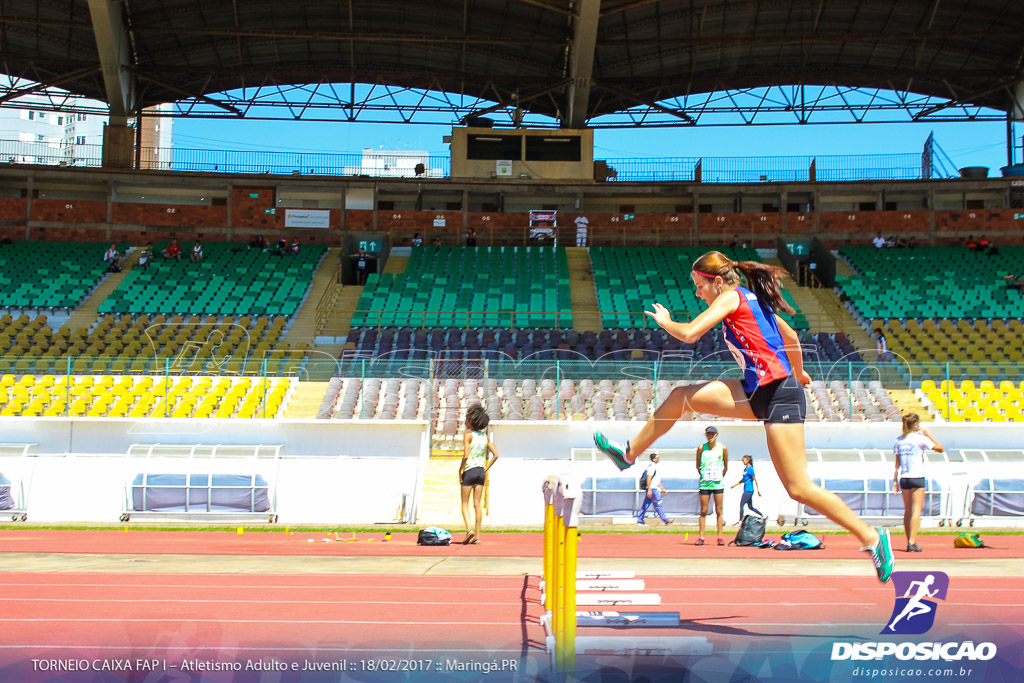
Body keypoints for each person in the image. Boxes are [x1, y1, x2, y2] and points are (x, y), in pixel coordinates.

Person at [593, 250, 895, 582]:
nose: (697, 293)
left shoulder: (732, 297)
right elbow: (792, 338)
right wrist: (801, 371)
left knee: (799, 487)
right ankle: (629, 454)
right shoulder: (753, 301)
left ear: (717, 282)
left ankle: (871, 537)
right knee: (681, 397)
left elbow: (691, 333)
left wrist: (666, 323)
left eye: (699, 286)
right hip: (757, 391)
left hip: (780, 396)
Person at [893, 413, 944, 553]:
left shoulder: (899, 440)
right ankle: (912, 542)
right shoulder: (920, 439)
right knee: (916, 511)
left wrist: (894, 481)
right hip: (917, 477)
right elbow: (940, 448)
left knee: (907, 511)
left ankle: (908, 539)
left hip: (904, 477)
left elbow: (897, 463)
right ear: (916, 424)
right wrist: (928, 434)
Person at [459, 403, 499, 544]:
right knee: (477, 504)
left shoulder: (468, 435)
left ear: (471, 421)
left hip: (469, 470)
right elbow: (495, 455)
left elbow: (465, 456)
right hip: (481, 472)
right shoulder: (485, 437)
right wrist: (485, 469)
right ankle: (477, 536)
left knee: (464, 504)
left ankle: (469, 530)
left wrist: (460, 471)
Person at [695, 426, 727, 545]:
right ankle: (701, 536)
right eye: (708, 434)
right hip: (705, 483)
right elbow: (698, 465)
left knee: (719, 510)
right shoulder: (701, 448)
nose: (710, 436)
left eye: (712, 434)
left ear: (716, 435)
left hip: (718, 483)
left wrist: (719, 475)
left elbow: (725, 466)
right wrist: (704, 474)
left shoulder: (722, 448)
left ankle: (720, 537)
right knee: (704, 510)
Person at [637, 452, 673, 525]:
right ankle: (666, 520)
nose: (658, 459)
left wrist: (662, 489)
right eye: (657, 457)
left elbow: (656, 480)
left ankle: (640, 519)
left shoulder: (654, 467)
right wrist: (649, 489)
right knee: (658, 503)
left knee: (646, 504)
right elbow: (649, 478)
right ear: (654, 459)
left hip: (653, 488)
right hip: (652, 489)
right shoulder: (651, 467)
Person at [730, 454, 765, 522]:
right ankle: (762, 515)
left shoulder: (750, 469)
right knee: (750, 507)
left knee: (742, 504)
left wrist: (758, 490)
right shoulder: (745, 469)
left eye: (744, 460)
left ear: (748, 460)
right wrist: (734, 485)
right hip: (746, 489)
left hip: (749, 490)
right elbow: (743, 479)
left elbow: (755, 479)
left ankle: (740, 520)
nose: (743, 462)